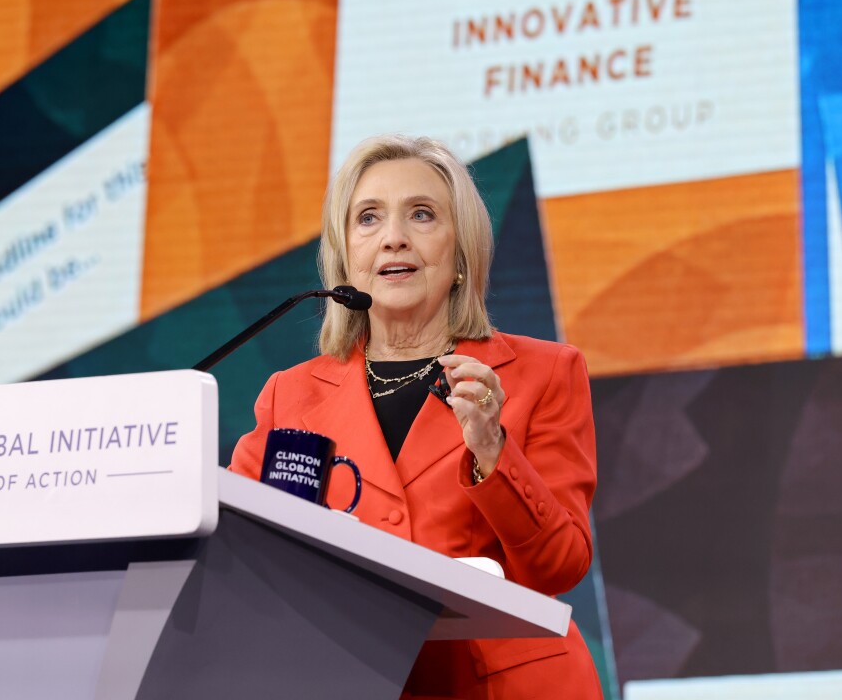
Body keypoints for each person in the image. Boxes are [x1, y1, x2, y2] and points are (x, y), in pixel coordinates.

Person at [228, 134, 602, 699]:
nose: (393, 237)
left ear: (461, 253)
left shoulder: (543, 373)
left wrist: (493, 450)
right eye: (368, 218)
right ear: (345, 255)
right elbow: (237, 551)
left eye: (421, 215)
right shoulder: (291, 395)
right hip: (351, 681)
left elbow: (559, 566)